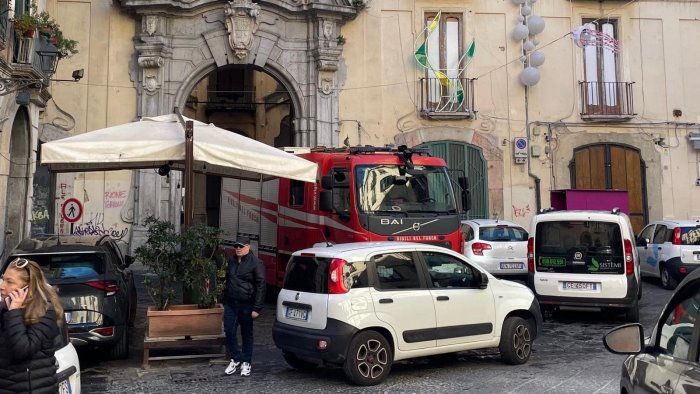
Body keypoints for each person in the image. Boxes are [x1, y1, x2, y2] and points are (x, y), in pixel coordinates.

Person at [0, 258, 64, 393]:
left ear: (28, 287)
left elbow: (22, 350)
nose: (2, 286)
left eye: (9, 282)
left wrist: (14, 312)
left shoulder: (44, 313)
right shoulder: (4, 309)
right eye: (3, 279)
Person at [223, 236, 265, 377]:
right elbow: (227, 280)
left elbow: (261, 286)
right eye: (236, 246)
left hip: (246, 305)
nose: (238, 249)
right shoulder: (232, 261)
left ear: (248, 247)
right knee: (229, 331)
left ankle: (246, 362)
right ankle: (236, 358)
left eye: (241, 246)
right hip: (231, 303)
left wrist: (257, 308)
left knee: (247, 334)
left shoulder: (256, 263)